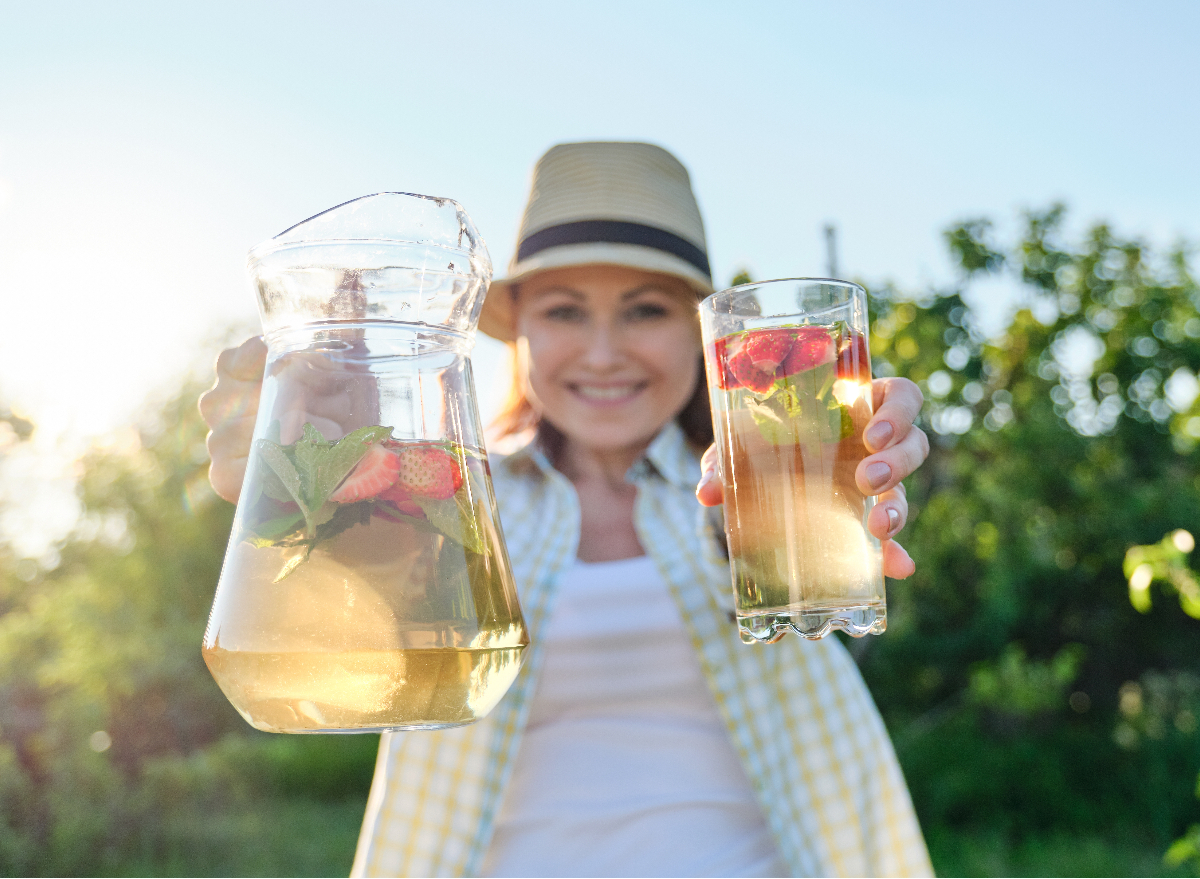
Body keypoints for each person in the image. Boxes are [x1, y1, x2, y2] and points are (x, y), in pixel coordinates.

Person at [200, 142, 933, 877]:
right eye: (566, 311)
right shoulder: (454, 494)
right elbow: (354, 608)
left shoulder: (747, 476)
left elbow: (733, 543)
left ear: (701, 332)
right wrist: (317, 467)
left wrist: (845, 474)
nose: (605, 352)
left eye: (645, 310)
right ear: (521, 332)